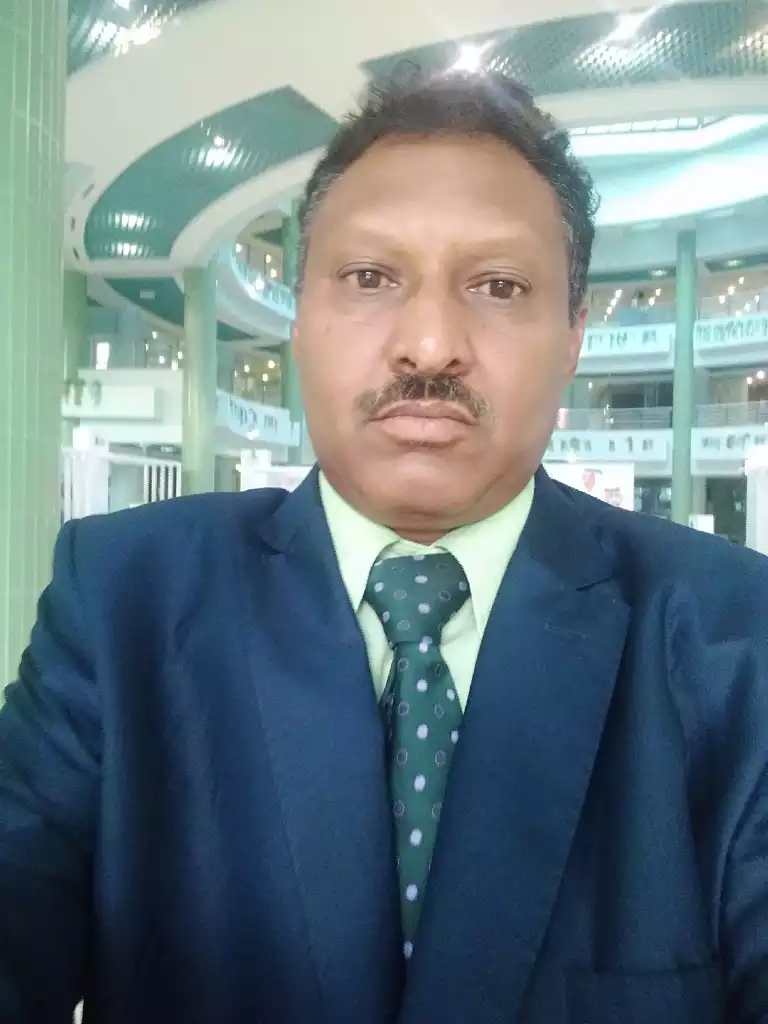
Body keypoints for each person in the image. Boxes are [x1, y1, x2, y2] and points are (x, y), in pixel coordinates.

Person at [1, 69, 766, 1024]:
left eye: (498, 286)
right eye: (370, 278)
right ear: (298, 319)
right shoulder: (125, 600)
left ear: (574, 336)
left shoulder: (734, 638)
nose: (431, 345)